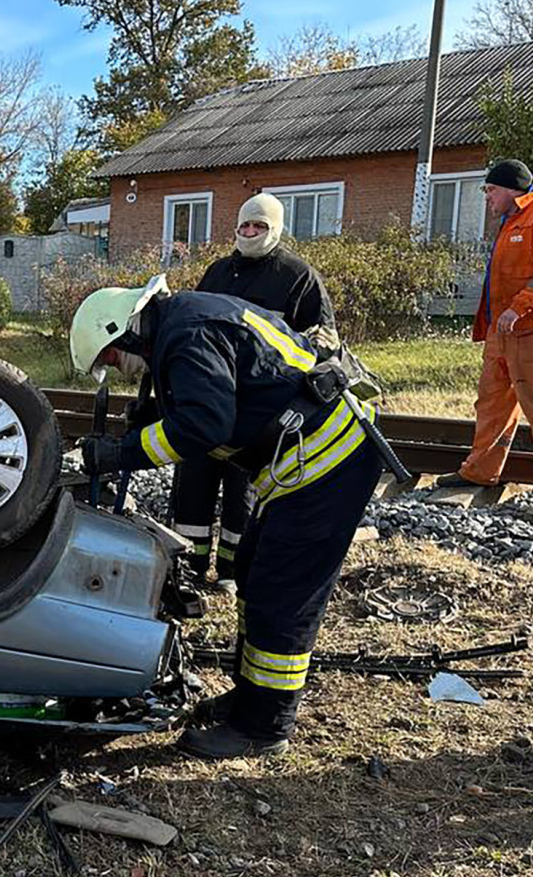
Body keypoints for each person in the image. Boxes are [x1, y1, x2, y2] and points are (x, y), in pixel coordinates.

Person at [71, 282, 382, 759]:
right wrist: (159, 410)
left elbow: (206, 425)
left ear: (127, 332)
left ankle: (263, 726)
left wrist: (123, 453)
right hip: (304, 466)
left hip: (326, 467)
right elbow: (236, 391)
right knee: (256, 578)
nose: (117, 366)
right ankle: (251, 697)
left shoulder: (187, 335)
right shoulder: (185, 324)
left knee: (282, 596)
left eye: (112, 358)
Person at [177, 192, 335, 587]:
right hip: (208, 401)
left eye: (259, 227)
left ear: (275, 230)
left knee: (241, 495)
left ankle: (233, 573)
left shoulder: (297, 277)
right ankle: (187, 568)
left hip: (258, 413)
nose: (250, 233)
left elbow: (324, 340)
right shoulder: (217, 273)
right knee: (192, 487)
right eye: (245, 226)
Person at [428, 159, 533, 513]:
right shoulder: (512, 219)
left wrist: (520, 308)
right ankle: (480, 472)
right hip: (506, 328)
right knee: (492, 402)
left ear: (511, 189)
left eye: (490, 189)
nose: (486, 197)